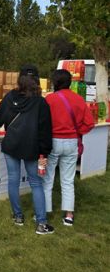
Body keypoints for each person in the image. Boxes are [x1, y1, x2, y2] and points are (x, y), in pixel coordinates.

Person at [0, 64, 54, 235]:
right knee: (36, 183)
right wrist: (44, 152)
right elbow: (45, 130)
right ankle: (41, 223)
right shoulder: (41, 103)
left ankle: (18, 216)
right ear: (37, 81)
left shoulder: (10, 97)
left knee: (13, 180)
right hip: (32, 148)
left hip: (11, 145)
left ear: (20, 79)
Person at [43, 69, 95, 226]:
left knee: (47, 179)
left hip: (52, 142)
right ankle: (69, 216)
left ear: (55, 82)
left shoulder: (49, 99)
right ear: (70, 82)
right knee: (67, 180)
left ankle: (44, 213)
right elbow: (89, 123)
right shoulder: (79, 99)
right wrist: (77, 132)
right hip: (72, 142)